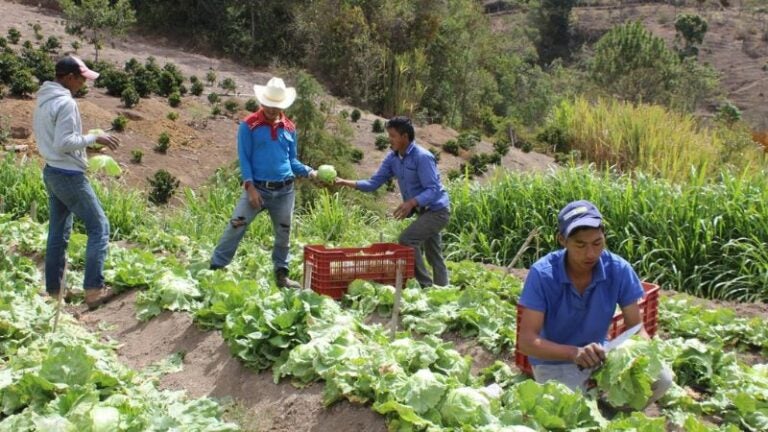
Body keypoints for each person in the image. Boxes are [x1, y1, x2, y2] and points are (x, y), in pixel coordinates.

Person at [517, 200, 672, 407]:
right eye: (580, 245)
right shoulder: (543, 274)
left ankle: (616, 418)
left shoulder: (618, 269)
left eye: (597, 243)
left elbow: (637, 328)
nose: (590, 254)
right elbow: (527, 342)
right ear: (562, 240)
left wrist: (636, 355)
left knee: (662, 380)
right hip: (555, 361)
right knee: (569, 410)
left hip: (601, 356)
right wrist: (575, 353)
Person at [210, 77, 317, 288]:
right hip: (257, 189)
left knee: (284, 232)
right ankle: (215, 268)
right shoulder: (249, 126)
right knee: (236, 224)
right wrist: (250, 188)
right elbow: (244, 158)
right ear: (263, 102)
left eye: (276, 106)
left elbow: (291, 160)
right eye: (268, 104)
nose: (271, 109)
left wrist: (310, 172)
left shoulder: (289, 128)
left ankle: (281, 274)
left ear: (282, 106)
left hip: (285, 191)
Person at [33, 55, 121, 309]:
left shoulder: (44, 100)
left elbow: (55, 141)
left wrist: (83, 141)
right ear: (69, 78)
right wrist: (94, 138)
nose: (84, 83)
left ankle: (54, 291)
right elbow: (64, 143)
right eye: (82, 79)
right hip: (68, 175)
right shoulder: (66, 103)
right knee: (99, 226)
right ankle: (94, 290)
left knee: (58, 232)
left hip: (51, 171)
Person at [336, 116, 450, 287]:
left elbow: (433, 190)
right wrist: (344, 182)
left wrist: (411, 202)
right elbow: (373, 183)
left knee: (407, 239)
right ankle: (443, 291)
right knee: (434, 254)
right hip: (424, 211)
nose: (389, 139)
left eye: (392, 136)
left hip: (438, 210)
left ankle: (426, 287)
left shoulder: (422, 157)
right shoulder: (393, 159)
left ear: (405, 137)